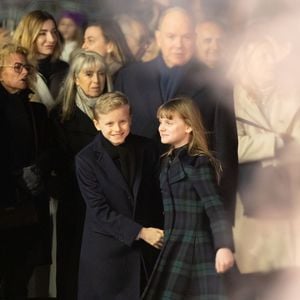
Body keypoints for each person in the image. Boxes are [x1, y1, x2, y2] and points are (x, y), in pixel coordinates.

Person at [115, 6, 238, 224]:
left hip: (194, 202)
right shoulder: (129, 76)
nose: (178, 45)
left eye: (186, 37)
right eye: (171, 37)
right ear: (158, 38)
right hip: (139, 200)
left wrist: (224, 223)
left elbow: (226, 151)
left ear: (195, 39)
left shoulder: (216, 83)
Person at [229, 24, 300, 299]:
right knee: (256, 275)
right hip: (251, 200)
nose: (268, 63)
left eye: (270, 56)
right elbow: (233, 147)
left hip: (288, 195)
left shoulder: (292, 94)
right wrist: (275, 143)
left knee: (288, 275)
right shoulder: (232, 99)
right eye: (261, 57)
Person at [142, 97, 234, 299]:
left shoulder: (198, 162)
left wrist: (223, 246)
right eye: (160, 122)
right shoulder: (167, 161)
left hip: (196, 247)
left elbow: (215, 207)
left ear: (189, 126)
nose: (161, 128)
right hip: (173, 244)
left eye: (169, 121)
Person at [75, 91, 163, 300]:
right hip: (106, 253)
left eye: (122, 121)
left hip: (145, 251)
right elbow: (99, 211)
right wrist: (141, 232)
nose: (117, 129)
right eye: (109, 124)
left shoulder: (148, 148)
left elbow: (159, 193)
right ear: (96, 124)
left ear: (130, 119)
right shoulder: (85, 159)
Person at [49, 49, 109, 300]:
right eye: (88, 74)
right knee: (72, 264)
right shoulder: (62, 116)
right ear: (75, 78)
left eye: (101, 74)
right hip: (75, 202)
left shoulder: (114, 112)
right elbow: (57, 161)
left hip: (109, 203)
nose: (96, 80)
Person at [0, 43, 52, 300]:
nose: (23, 73)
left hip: (28, 205)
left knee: (20, 274)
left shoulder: (36, 111)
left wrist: (37, 169)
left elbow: (48, 149)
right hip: (5, 198)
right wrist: (16, 176)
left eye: (26, 67)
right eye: (16, 67)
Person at [13, 10, 69, 111]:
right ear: (28, 35)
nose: (51, 39)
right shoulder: (17, 70)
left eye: (54, 32)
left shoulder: (65, 68)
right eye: (42, 33)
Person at [82, 19, 134, 87]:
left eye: (90, 40)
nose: (83, 46)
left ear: (110, 46)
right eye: (84, 41)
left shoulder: (126, 77)